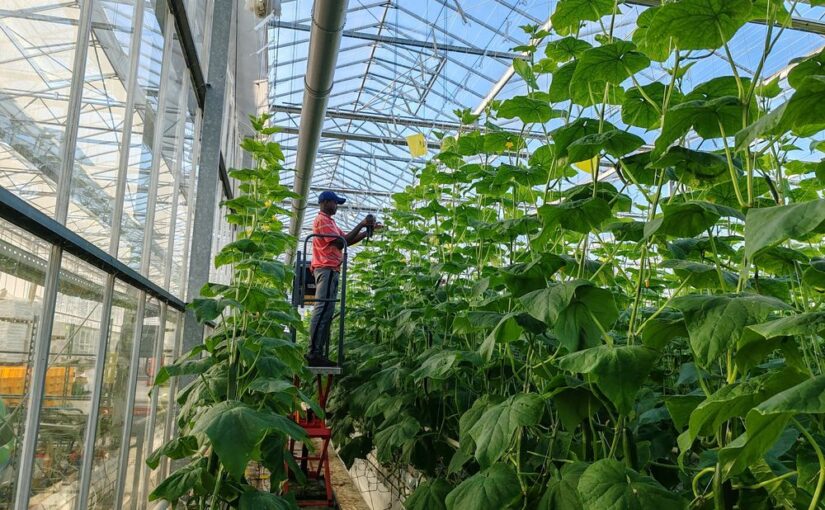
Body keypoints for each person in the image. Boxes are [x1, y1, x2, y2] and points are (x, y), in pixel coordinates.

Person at [307, 190, 381, 366]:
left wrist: (367, 231)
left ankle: (317, 352)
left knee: (327, 311)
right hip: (325, 268)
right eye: (335, 203)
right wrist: (361, 224)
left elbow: (347, 240)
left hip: (331, 269)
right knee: (322, 309)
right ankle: (313, 352)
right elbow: (340, 242)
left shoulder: (330, 222)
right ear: (325, 202)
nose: (337, 207)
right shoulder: (322, 221)